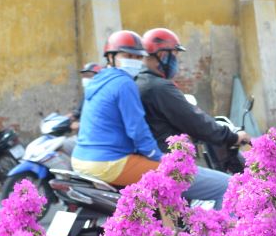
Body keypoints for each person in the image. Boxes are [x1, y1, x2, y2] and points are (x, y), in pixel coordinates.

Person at [134, 26, 249, 209]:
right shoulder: (160, 88)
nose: (177, 61)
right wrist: (232, 136)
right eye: (175, 55)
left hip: (148, 160)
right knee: (229, 186)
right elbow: (196, 122)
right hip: (167, 164)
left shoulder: (139, 83)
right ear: (163, 55)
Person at [71, 29, 163, 186]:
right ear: (111, 57)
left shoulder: (97, 80)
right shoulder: (124, 83)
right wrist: (157, 155)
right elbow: (137, 129)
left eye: (138, 57)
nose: (134, 60)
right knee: (175, 176)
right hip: (107, 162)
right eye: (127, 55)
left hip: (79, 159)